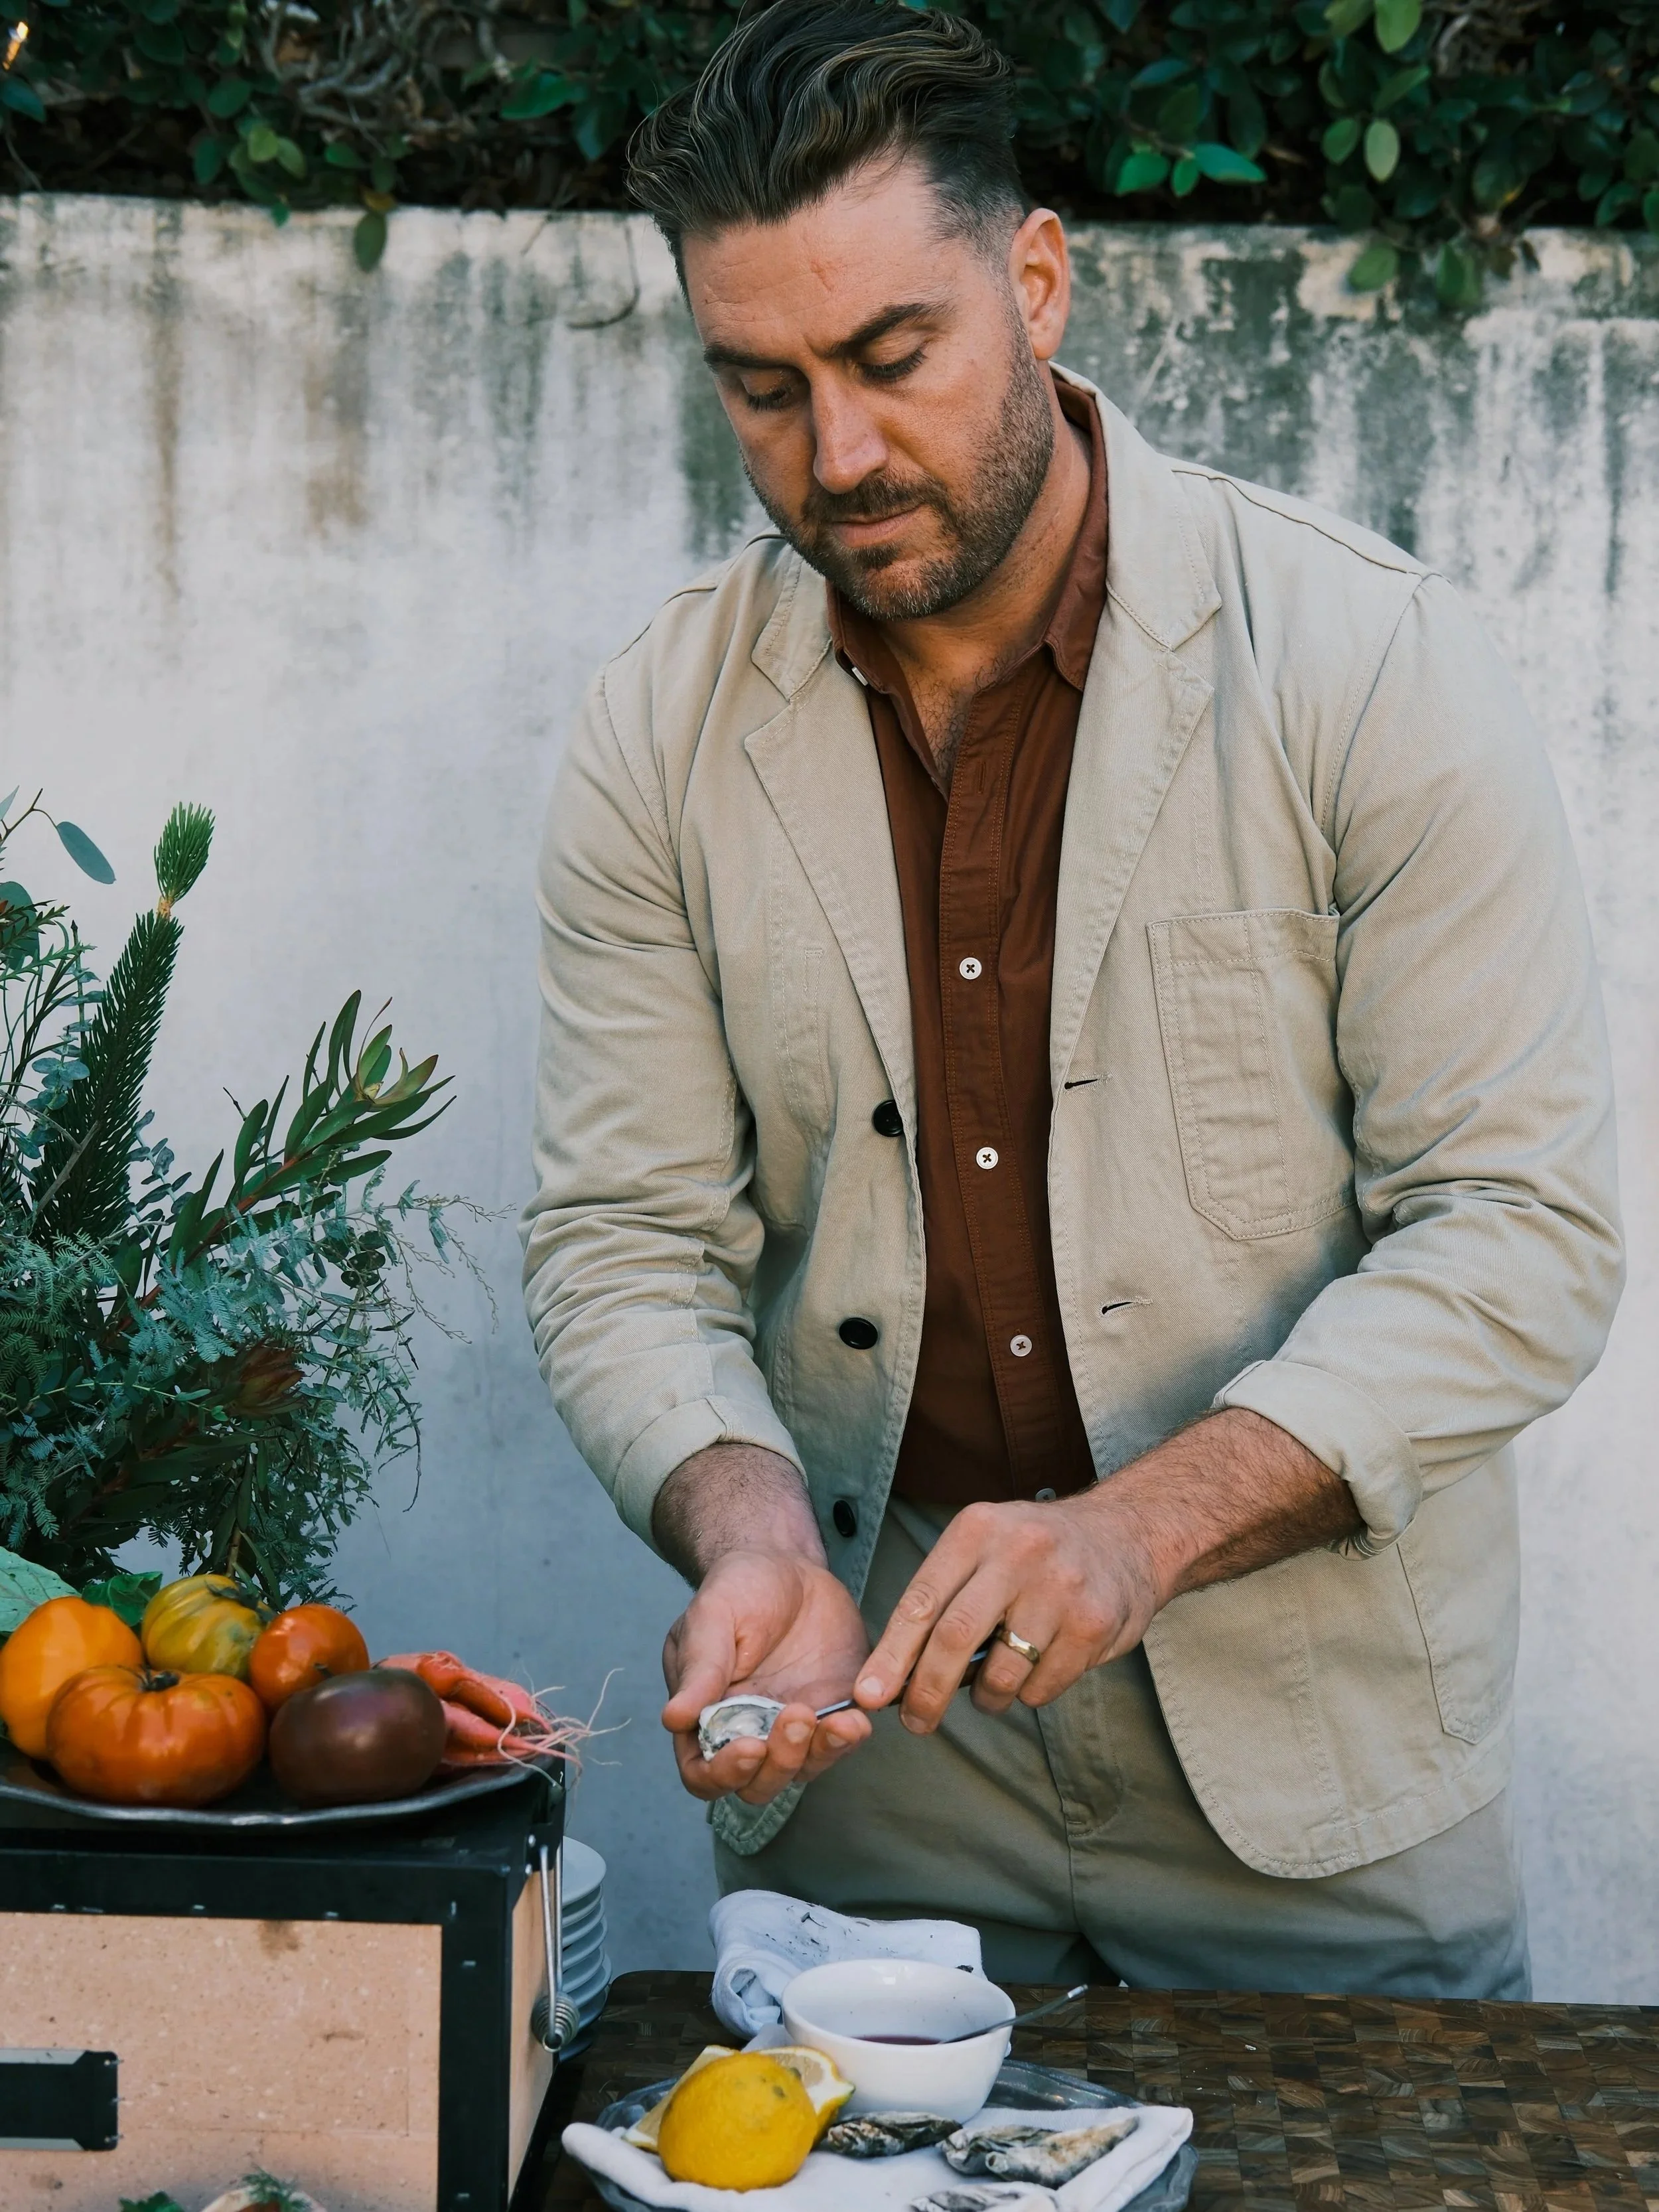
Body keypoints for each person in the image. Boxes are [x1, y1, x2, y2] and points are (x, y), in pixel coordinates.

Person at [520, 0, 1622, 1996]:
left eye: (889, 357)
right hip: (879, 1743)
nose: (835, 454)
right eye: (760, 388)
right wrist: (748, 1525)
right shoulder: (648, 733)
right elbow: (623, 1240)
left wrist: (1139, 1529)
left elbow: (1520, 1232)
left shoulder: (1370, 664)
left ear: (1033, 282)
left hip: (1320, 1751)